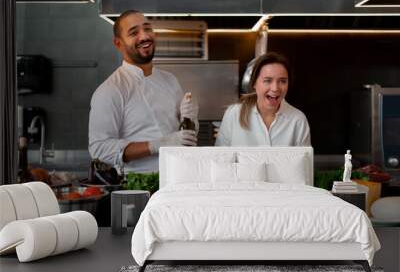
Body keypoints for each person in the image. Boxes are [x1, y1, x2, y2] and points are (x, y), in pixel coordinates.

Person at [89, 10, 198, 173]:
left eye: (147, 29)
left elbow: (182, 138)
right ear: (118, 44)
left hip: (180, 176)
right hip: (140, 185)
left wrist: (190, 120)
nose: (144, 36)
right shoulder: (110, 90)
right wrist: (157, 145)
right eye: (134, 33)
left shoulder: (170, 80)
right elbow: (100, 148)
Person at [215, 52, 310, 146]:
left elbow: (304, 161)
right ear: (254, 84)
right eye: (268, 81)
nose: (275, 88)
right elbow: (219, 157)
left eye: (282, 81)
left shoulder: (298, 120)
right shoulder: (233, 114)